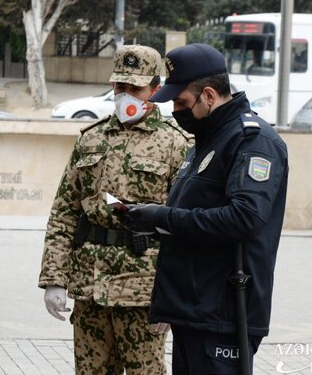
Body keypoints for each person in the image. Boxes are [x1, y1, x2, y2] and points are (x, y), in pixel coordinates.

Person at [120, 43, 289, 374]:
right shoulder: (209, 138)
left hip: (223, 314)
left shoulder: (252, 141)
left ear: (209, 95)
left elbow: (244, 218)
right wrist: (151, 222)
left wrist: (162, 216)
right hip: (194, 309)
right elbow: (196, 215)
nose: (176, 112)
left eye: (181, 103)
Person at [38, 45, 190, 374]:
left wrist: (172, 297)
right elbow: (64, 212)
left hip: (143, 292)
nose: (125, 95)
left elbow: (183, 228)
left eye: (134, 88)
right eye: (119, 86)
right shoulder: (90, 140)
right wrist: (54, 279)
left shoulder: (175, 143)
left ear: (155, 88)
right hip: (91, 288)